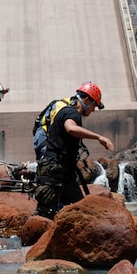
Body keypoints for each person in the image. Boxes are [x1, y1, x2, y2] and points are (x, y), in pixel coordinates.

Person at [34, 81, 115, 220]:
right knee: (44, 216)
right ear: (86, 100)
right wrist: (99, 137)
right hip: (53, 170)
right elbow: (70, 128)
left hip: (63, 171)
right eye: (94, 105)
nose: (93, 110)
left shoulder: (66, 110)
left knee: (79, 210)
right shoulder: (72, 113)